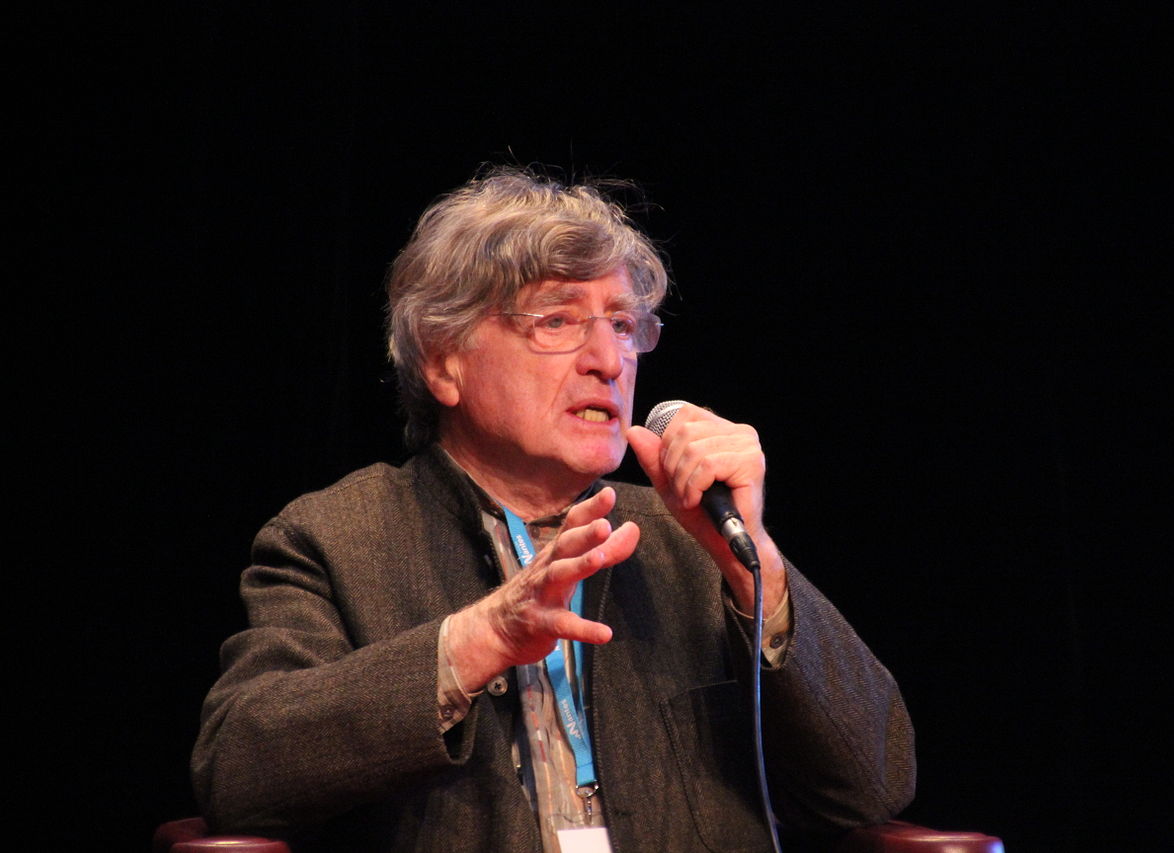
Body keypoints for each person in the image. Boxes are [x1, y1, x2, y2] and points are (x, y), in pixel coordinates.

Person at [192, 168, 915, 853]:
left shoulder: (690, 537)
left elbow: (874, 783)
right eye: (558, 320)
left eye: (623, 325)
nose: (609, 359)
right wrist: (480, 638)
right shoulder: (334, 540)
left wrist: (755, 567)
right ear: (444, 361)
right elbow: (239, 770)